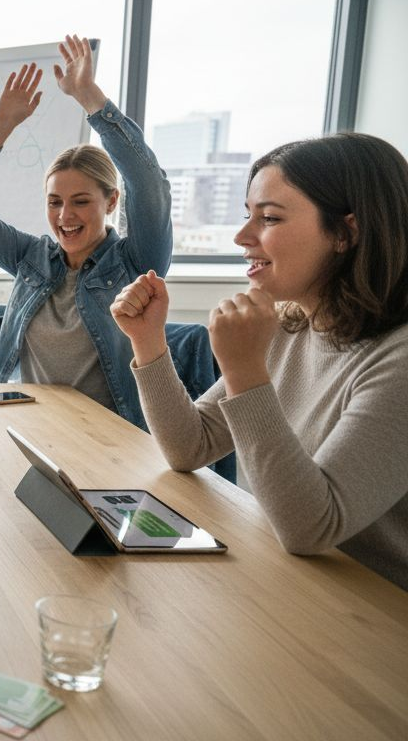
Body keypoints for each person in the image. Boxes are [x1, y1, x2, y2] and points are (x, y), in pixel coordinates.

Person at [111, 132, 408, 590]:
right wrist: (147, 340)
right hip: (298, 583)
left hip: (376, 614)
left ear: (346, 233)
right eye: (247, 215)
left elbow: (313, 528)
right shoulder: (290, 326)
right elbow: (190, 446)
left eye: (268, 218)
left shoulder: (398, 360)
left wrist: (246, 372)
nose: (242, 236)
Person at [0, 35, 172, 429]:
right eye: (55, 202)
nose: (66, 215)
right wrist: (1, 126)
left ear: (111, 202)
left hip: (105, 436)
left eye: (81, 201)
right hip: (25, 427)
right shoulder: (31, 258)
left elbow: (148, 182)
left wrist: (90, 98)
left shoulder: (136, 263)